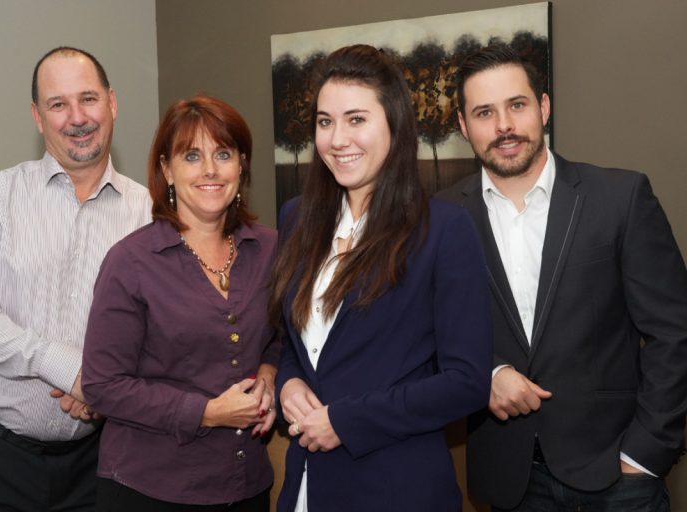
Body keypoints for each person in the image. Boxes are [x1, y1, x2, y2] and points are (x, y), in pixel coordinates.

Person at [437, 43, 687, 511]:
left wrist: (645, 453)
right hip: (509, 479)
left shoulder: (621, 197)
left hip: (618, 476)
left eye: (517, 105)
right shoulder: (441, 217)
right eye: (484, 112)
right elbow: (426, 330)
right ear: (463, 126)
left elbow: (674, 333)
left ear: (544, 107)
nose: (504, 126)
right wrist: (484, 374)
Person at [269, 44, 492, 512]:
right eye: (325, 121)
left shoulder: (444, 230)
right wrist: (287, 383)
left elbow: (467, 381)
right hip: (306, 487)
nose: (336, 138)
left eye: (356, 119)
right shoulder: (296, 219)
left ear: (394, 123)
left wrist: (347, 421)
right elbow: (298, 346)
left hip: (397, 487)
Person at [0, 46, 151, 512]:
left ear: (112, 103)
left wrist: (104, 390)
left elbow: (159, 332)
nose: (77, 117)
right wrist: (68, 369)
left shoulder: (150, 214)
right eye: (58, 104)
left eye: (89, 99)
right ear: (38, 116)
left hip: (98, 466)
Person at [81, 95, 279, 511]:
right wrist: (206, 412)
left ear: (241, 164)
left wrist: (269, 372)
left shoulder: (271, 249)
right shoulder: (130, 262)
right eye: (191, 156)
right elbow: (102, 385)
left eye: (222, 154)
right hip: (151, 490)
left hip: (247, 485)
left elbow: (282, 335)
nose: (210, 169)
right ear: (167, 170)